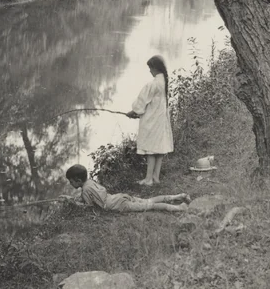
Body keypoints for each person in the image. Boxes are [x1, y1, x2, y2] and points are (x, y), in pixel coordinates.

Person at [62, 164, 189, 213]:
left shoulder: (85, 190)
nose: (70, 184)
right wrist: (71, 198)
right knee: (149, 200)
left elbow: (88, 207)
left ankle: (179, 208)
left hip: (118, 205)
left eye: (71, 181)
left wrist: (72, 203)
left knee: (149, 206)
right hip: (117, 197)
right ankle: (179, 196)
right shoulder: (89, 182)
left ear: (78, 180)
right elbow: (91, 197)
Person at [126, 55, 173, 186]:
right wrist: (137, 112)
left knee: (151, 150)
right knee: (159, 149)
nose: (149, 71)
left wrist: (133, 112)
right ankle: (156, 178)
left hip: (152, 121)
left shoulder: (152, 84)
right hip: (161, 120)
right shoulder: (164, 82)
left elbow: (140, 103)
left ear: (155, 68)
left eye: (150, 68)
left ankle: (148, 179)